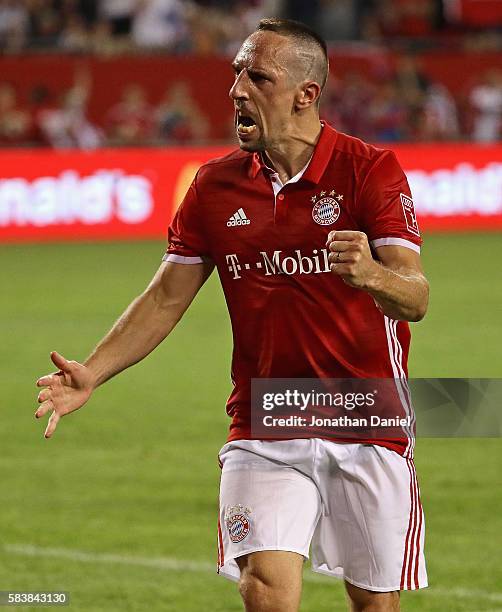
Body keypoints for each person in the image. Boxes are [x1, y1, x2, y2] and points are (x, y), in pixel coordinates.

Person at [35, 18, 429, 612]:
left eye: (258, 76)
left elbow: (416, 297)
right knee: (265, 589)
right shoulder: (214, 186)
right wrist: (93, 370)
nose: (237, 90)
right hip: (263, 418)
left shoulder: (369, 170)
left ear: (306, 94)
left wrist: (372, 275)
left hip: (366, 419)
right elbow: (166, 297)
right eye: (237, 74)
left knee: (375, 604)